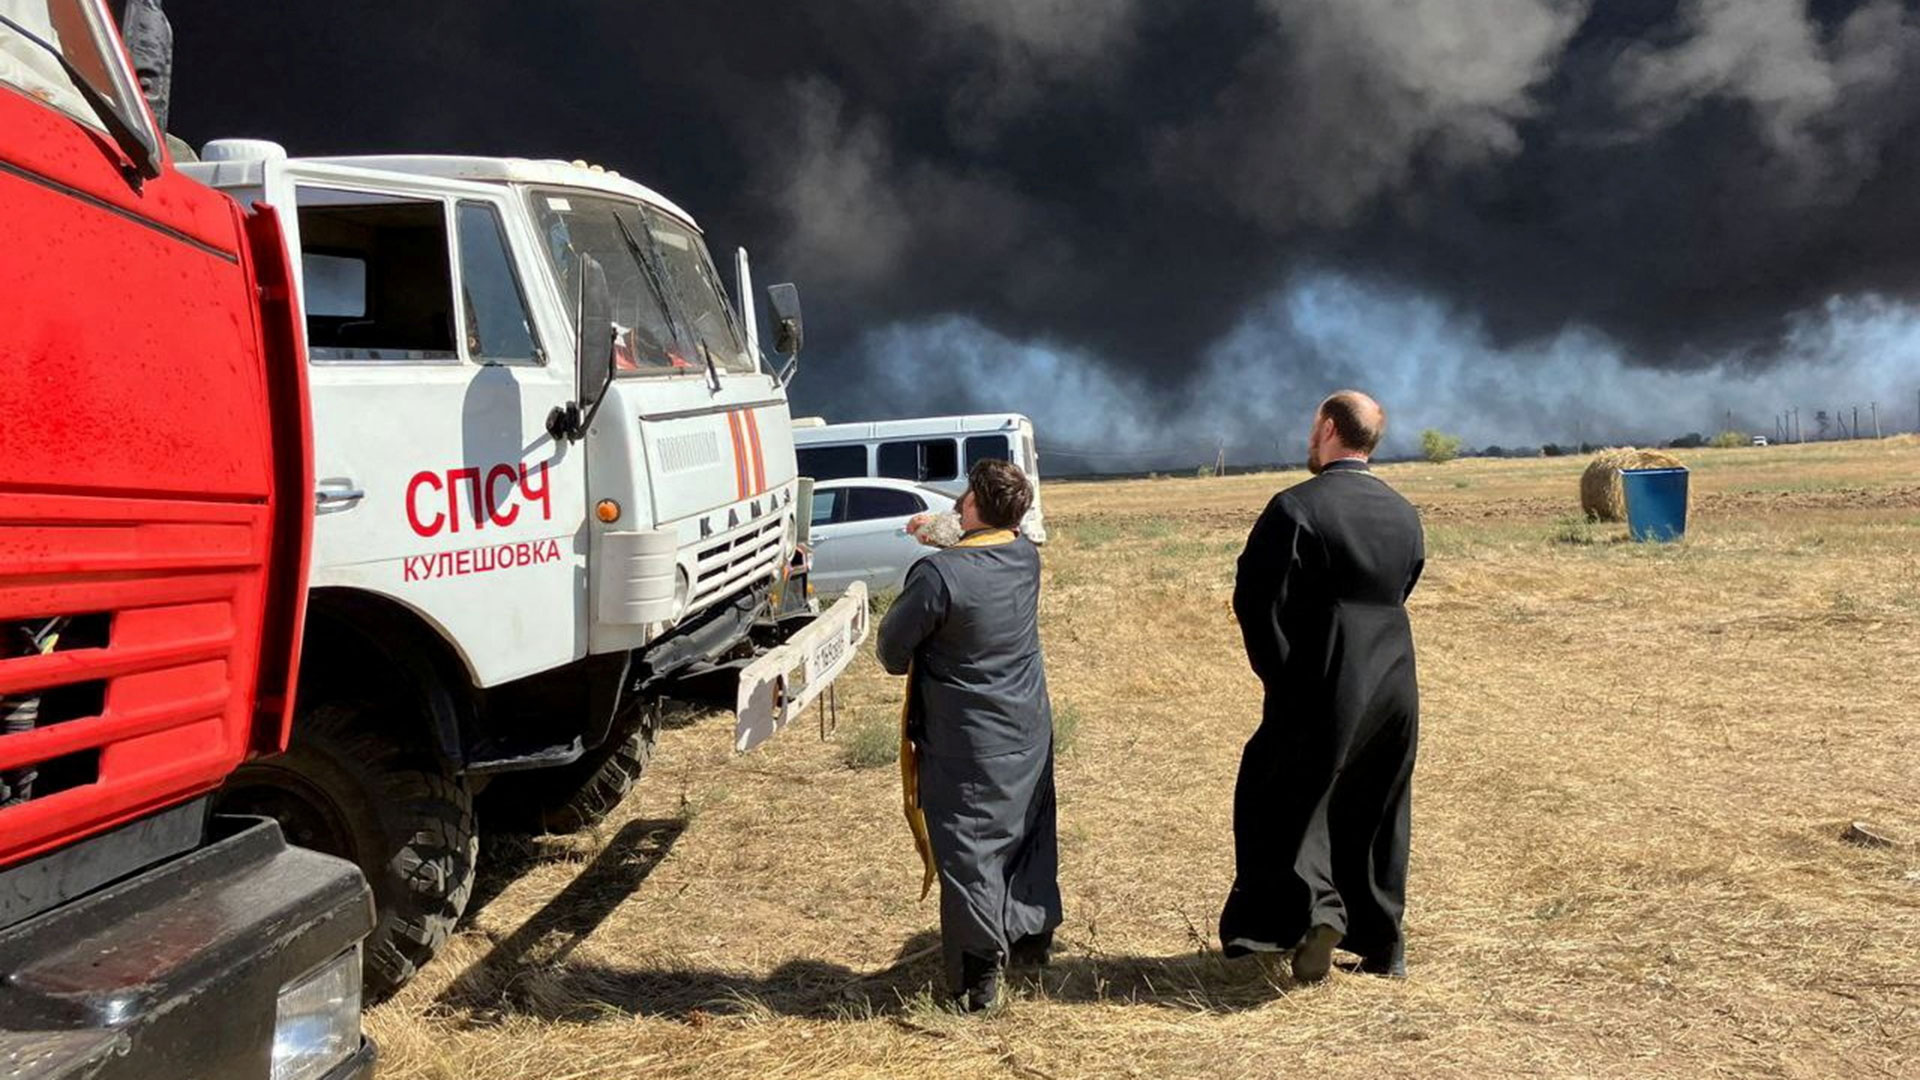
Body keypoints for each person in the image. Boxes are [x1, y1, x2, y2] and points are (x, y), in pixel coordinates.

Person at [1220, 390, 1425, 982]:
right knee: (1379, 806)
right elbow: (1405, 583)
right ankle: (1384, 946)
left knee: (1284, 796)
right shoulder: (1403, 511)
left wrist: (1282, 674)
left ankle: (1315, 917)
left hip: (1323, 675)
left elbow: (1257, 601)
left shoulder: (1295, 508)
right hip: (1394, 678)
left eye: (1314, 426)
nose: (1311, 436)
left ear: (1330, 428)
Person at [877, 458, 1061, 1012]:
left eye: (964, 496)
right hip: (1027, 726)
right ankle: (1030, 940)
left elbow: (891, 652)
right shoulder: (1024, 555)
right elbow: (983, 540)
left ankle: (978, 982)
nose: (957, 502)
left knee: (971, 850)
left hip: (967, 739)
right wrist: (937, 533)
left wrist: (931, 551)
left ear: (976, 503)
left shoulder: (938, 576)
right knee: (1028, 832)